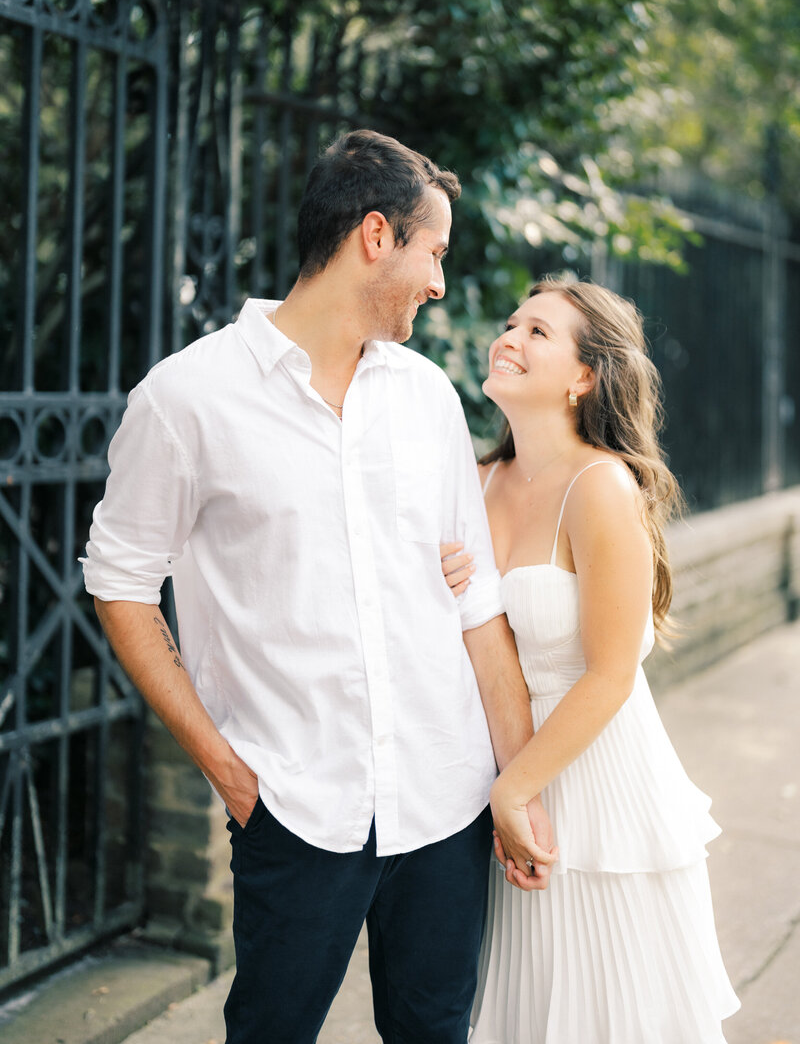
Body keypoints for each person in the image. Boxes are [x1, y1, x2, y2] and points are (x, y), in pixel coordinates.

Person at [80, 130, 556, 1044]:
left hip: (444, 801)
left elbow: (476, 605)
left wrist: (516, 785)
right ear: (376, 236)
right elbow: (122, 584)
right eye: (435, 253)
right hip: (295, 808)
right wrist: (227, 769)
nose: (441, 283)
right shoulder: (186, 400)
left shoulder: (427, 399)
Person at [440, 276, 739, 1043]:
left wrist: (517, 792)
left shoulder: (601, 486)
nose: (510, 336)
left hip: (599, 792)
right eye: (512, 323)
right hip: (508, 783)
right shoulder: (473, 483)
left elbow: (611, 672)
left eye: (538, 332)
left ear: (585, 377)